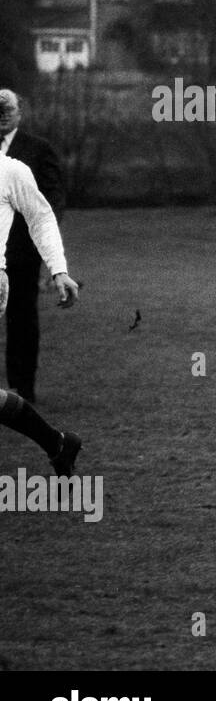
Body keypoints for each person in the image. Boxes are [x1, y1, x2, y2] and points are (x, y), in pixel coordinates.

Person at [0, 117, 83, 476]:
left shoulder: (10, 171)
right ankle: (57, 443)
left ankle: (57, 442)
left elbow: (42, 217)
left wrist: (59, 269)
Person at [0, 89, 65, 404]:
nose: (2, 115)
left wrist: (43, 249)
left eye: (7, 109)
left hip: (23, 253)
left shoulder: (38, 150)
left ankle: (22, 388)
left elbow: (50, 206)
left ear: (20, 112)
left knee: (21, 316)